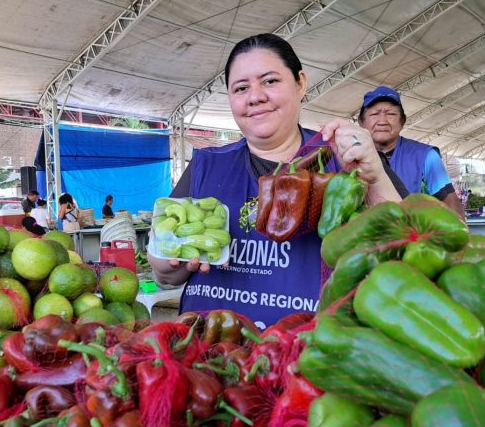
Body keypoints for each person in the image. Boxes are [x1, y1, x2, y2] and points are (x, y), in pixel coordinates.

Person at [149, 33, 405, 327]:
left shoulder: (345, 159)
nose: (255, 96)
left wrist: (375, 176)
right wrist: (166, 262)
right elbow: (167, 276)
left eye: (270, 81)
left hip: (314, 353)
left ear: (300, 83)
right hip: (211, 355)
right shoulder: (206, 166)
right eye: (241, 88)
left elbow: (403, 251)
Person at [358, 86, 464, 219]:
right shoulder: (348, 157)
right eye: (374, 114)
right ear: (361, 122)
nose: (382, 121)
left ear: (402, 121)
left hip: (413, 234)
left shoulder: (426, 156)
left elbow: (449, 200)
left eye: (391, 114)